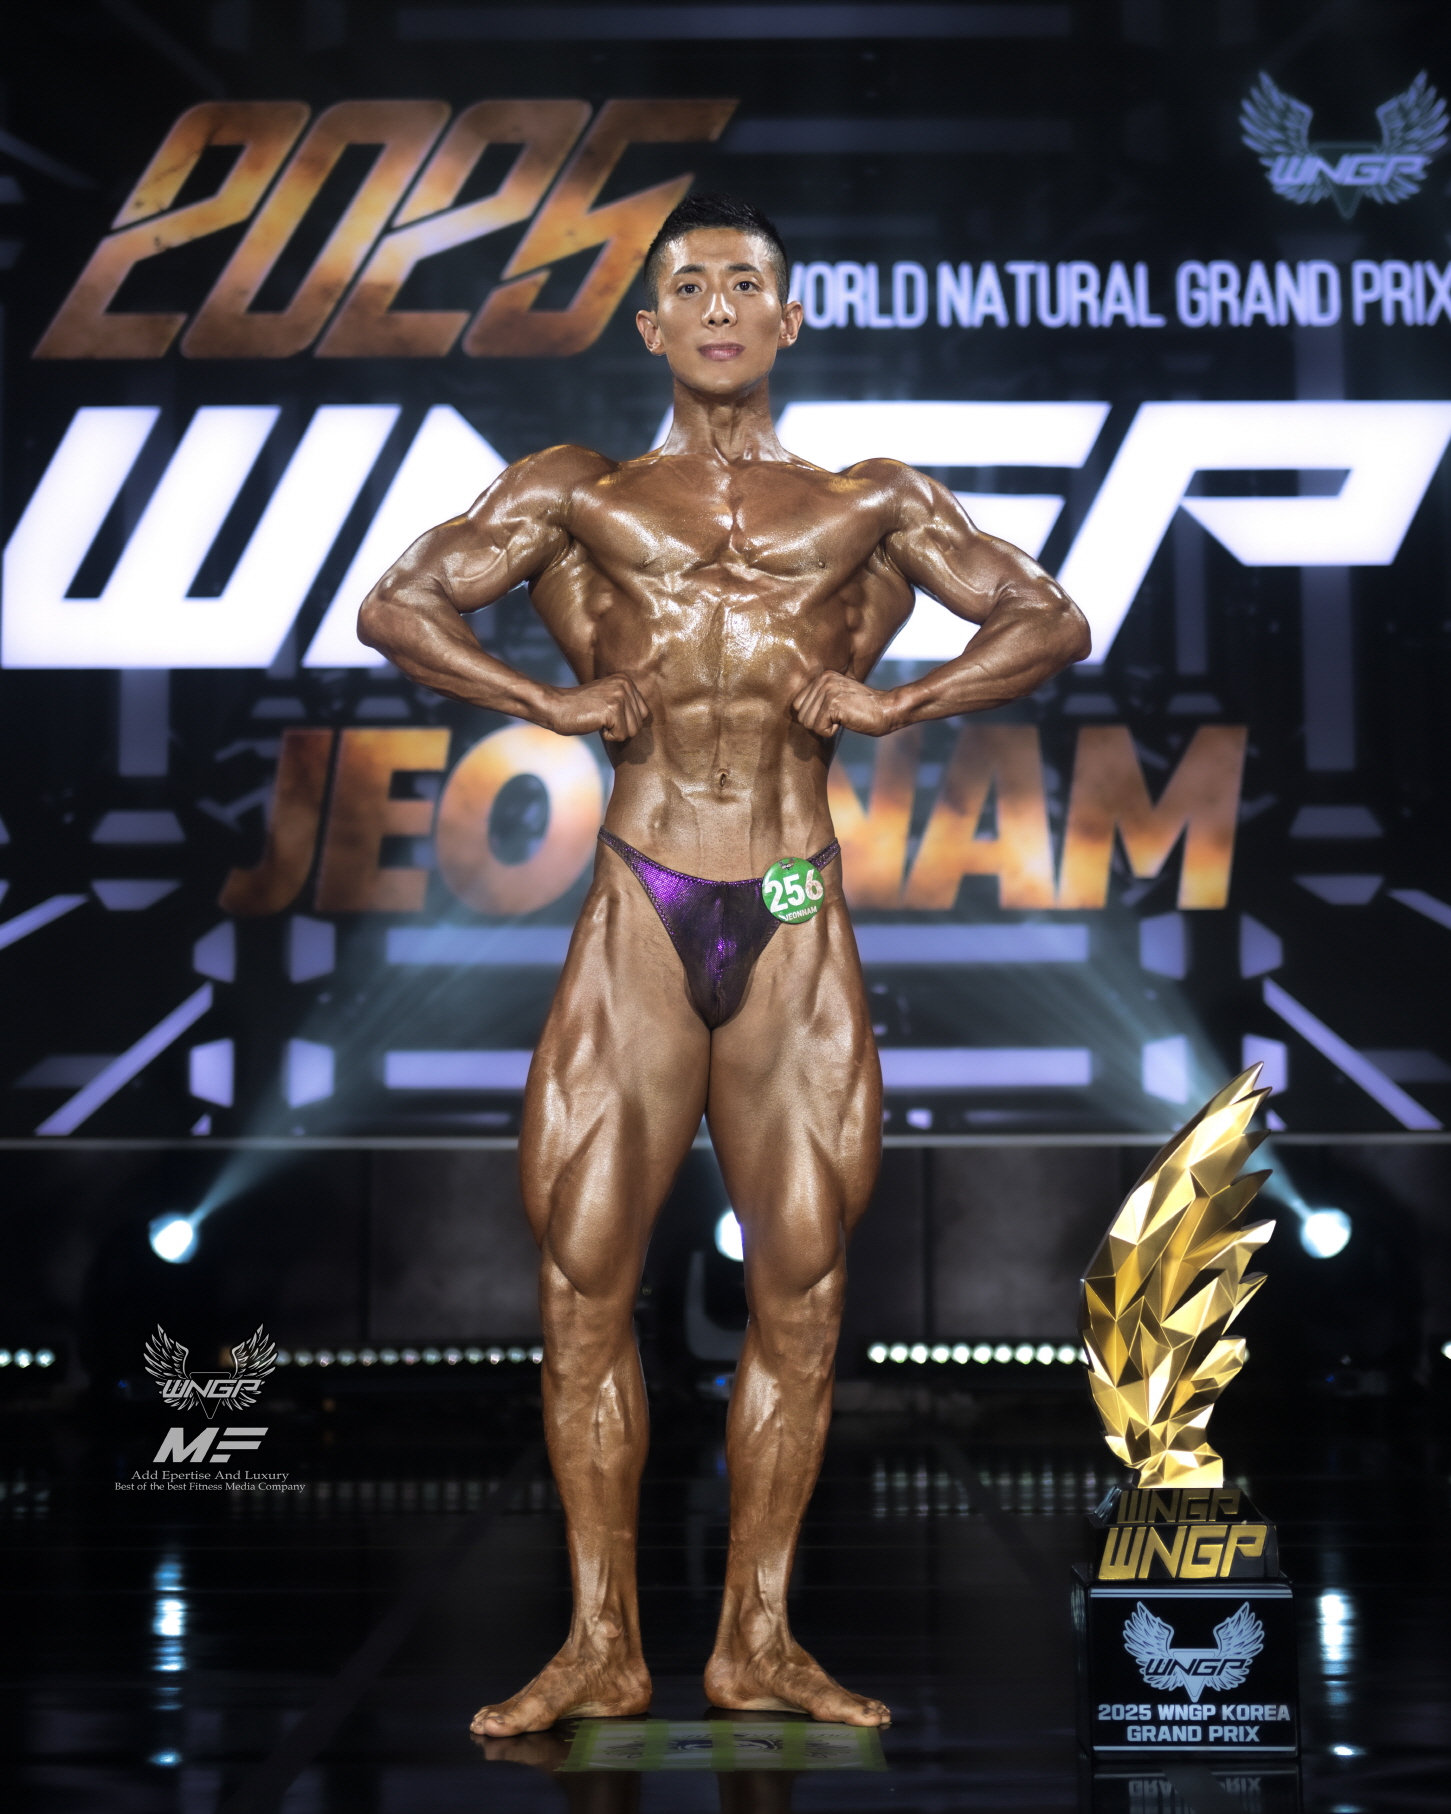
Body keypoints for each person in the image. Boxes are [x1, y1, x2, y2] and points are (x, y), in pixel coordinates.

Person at [358, 193, 1089, 1736]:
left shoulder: (871, 503)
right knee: (582, 1282)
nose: (714, 305)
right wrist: (542, 702)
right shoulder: (578, 492)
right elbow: (397, 605)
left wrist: (903, 704)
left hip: (789, 890)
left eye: (743, 282)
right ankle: (600, 1644)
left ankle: (757, 1638)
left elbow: (1051, 617)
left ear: (787, 318)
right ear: (649, 325)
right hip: (643, 889)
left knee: (803, 1289)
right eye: (686, 283)